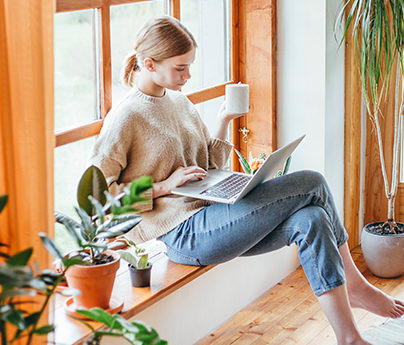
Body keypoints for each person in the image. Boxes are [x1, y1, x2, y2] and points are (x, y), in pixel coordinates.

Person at [89, 15, 404, 345]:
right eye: (180, 68)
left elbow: (207, 167)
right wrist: (164, 187)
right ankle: (354, 284)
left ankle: (348, 337)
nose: (188, 75)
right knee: (312, 181)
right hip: (184, 233)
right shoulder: (126, 117)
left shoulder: (179, 101)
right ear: (149, 63)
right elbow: (97, 198)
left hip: (213, 213)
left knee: (311, 219)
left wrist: (223, 120)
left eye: (189, 66)